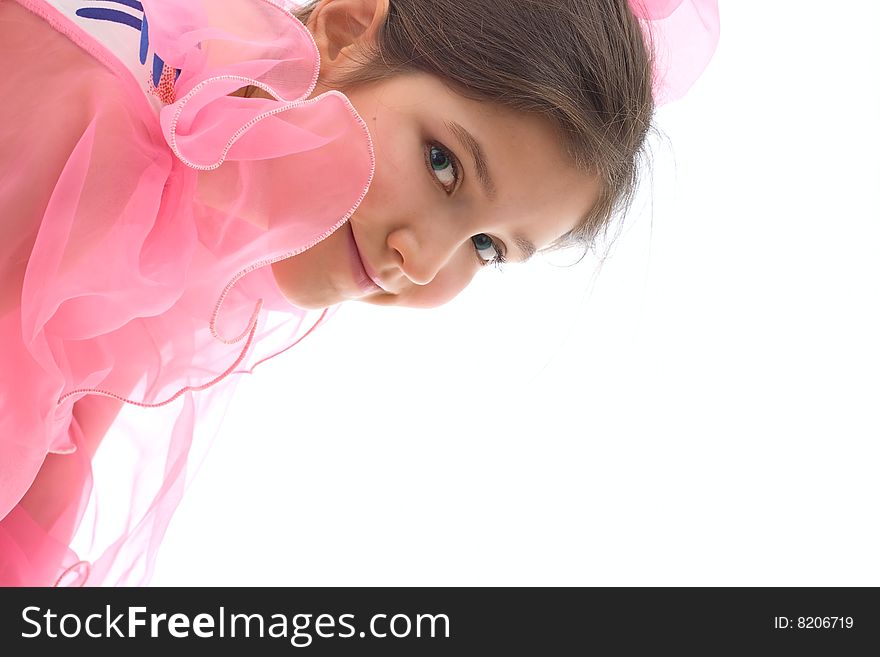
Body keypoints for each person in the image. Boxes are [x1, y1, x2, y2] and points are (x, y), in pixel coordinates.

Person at [0, 0, 719, 585]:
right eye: (443, 163)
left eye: (486, 248)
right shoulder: (96, 113)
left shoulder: (195, 235)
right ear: (345, 31)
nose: (420, 256)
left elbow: (35, 509)